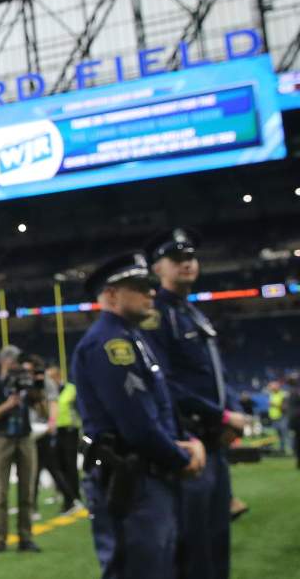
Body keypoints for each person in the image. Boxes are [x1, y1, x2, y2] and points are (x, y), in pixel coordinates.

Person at [73, 252, 206, 579]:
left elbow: (158, 410)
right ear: (111, 294)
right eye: (139, 286)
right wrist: (181, 457)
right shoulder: (109, 344)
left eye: (150, 285)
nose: (151, 292)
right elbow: (137, 425)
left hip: (150, 476)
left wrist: (184, 443)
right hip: (133, 481)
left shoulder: (132, 338)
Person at [142, 228, 248, 579]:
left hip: (214, 443)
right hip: (189, 442)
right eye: (176, 259)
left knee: (217, 542)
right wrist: (222, 416)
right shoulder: (156, 315)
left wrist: (231, 413)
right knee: (195, 548)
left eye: (190, 257)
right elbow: (164, 383)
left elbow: (216, 373)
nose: (186, 263)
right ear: (157, 268)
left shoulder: (193, 313)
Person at [0, 345, 40, 552]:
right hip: (3, 439)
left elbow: (40, 408)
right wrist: (8, 405)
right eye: (13, 361)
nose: (17, 366)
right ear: (3, 361)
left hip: (25, 438)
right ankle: (1, 539)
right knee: (2, 494)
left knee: (27, 492)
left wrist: (36, 386)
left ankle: (26, 537)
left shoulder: (25, 381)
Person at [49, 366, 83, 513]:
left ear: (57, 377)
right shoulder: (51, 392)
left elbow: (78, 408)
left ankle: (75, 496)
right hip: (57, 432)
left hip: (70, 431)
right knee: (58, 465)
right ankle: (68, 496)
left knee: (70, 465)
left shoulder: (71, 389)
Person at [267, 380, 288, 456]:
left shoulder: (283, 394)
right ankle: (279, 449)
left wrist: (274, 404)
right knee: (277, 435)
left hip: (281, 417)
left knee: (283, 433)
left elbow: (285, 407)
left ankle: (284, 449)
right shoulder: (271, 394)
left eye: (273, 386)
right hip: (274, 417)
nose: (271, 388)